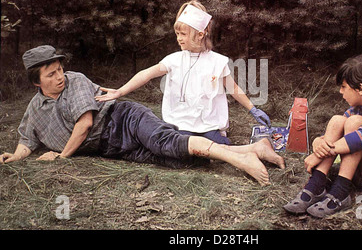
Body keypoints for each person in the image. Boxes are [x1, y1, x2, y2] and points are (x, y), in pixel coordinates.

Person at [0, 45, 285, 187]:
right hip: (113, 148)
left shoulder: (74, 80)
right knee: (175, 160)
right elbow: (28, 137)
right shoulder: (34, 110)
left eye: (60, 69)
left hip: (125, 120)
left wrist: (61, 156)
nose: (60, 76)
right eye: (51, 75)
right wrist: (16, 155)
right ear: (36, 83)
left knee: (167, 142)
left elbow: (84, 123)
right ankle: (253, 148)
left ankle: (239, 159)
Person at [95, 0, 271, 145]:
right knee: (183, 148)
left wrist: (253, 109)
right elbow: (146, 74)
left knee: (219, 147)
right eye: (177, 33)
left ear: (200, 34)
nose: (179, 38)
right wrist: (120, 91)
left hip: (208, 124)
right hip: (181, 123)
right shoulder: (174, 60)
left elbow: (234, 89)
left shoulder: (217, 61)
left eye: (183, 34)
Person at [283, 54, 362, 218]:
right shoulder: (355, 110)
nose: (340, 91)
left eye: (344, 87)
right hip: (360, 171)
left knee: (354, 124)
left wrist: (319, 155)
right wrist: (318, 142)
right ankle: (315, 186)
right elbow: (335, 140)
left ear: (360, 89)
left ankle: (341, 191)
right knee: (338, 120)